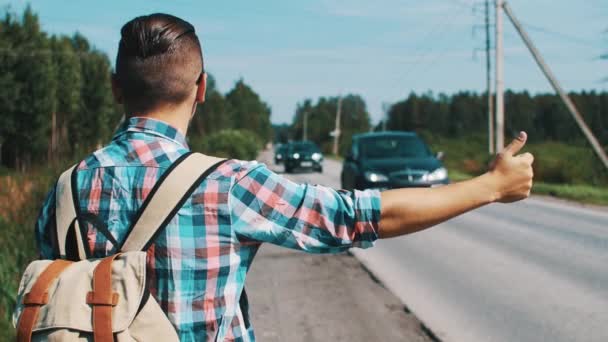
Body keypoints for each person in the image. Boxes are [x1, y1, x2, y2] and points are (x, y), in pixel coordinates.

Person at [35, 13, 533, 342]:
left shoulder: (64, 191)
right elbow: (358, 216)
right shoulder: (226, 184)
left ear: (115, 88)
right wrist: (489, 187)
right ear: (201, 88)